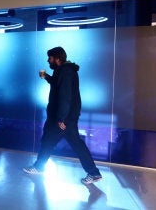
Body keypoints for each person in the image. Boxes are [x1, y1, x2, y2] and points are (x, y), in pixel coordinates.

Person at [23, 46, 102, 185]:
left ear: (58, 59)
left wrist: (61, 118)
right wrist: (47, 76)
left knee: (48, 140)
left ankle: (39, 167)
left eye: (50, 58)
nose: (48, 60)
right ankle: (94, 173)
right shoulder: (64, 70)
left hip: (63, 118)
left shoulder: (65, 71)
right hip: (68, 117)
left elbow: (65, 96)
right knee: (76, 143)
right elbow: (58, 85)